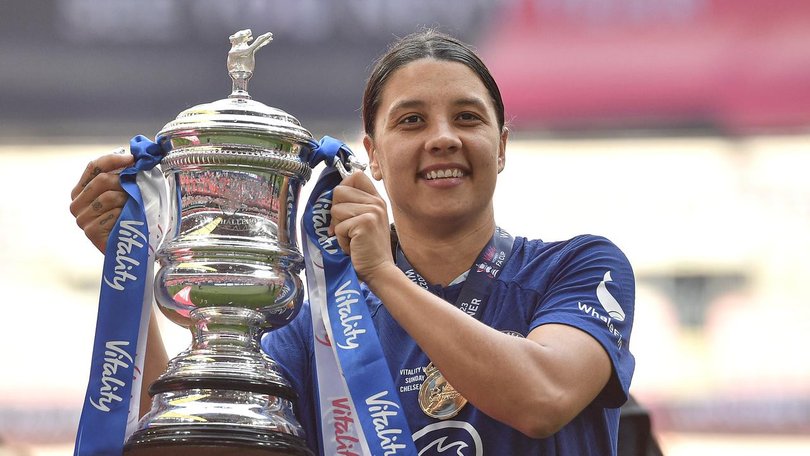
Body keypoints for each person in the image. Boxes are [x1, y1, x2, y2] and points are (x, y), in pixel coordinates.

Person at [70, 29, 636, 455]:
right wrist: (134, 279)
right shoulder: (315, 330)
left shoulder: (580, 268)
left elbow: (541, 399)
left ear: (502, 145)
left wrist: (383, 274)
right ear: (375, 155)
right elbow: (202, 434)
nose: (442, 139)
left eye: (467, 118)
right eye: (411, 121)